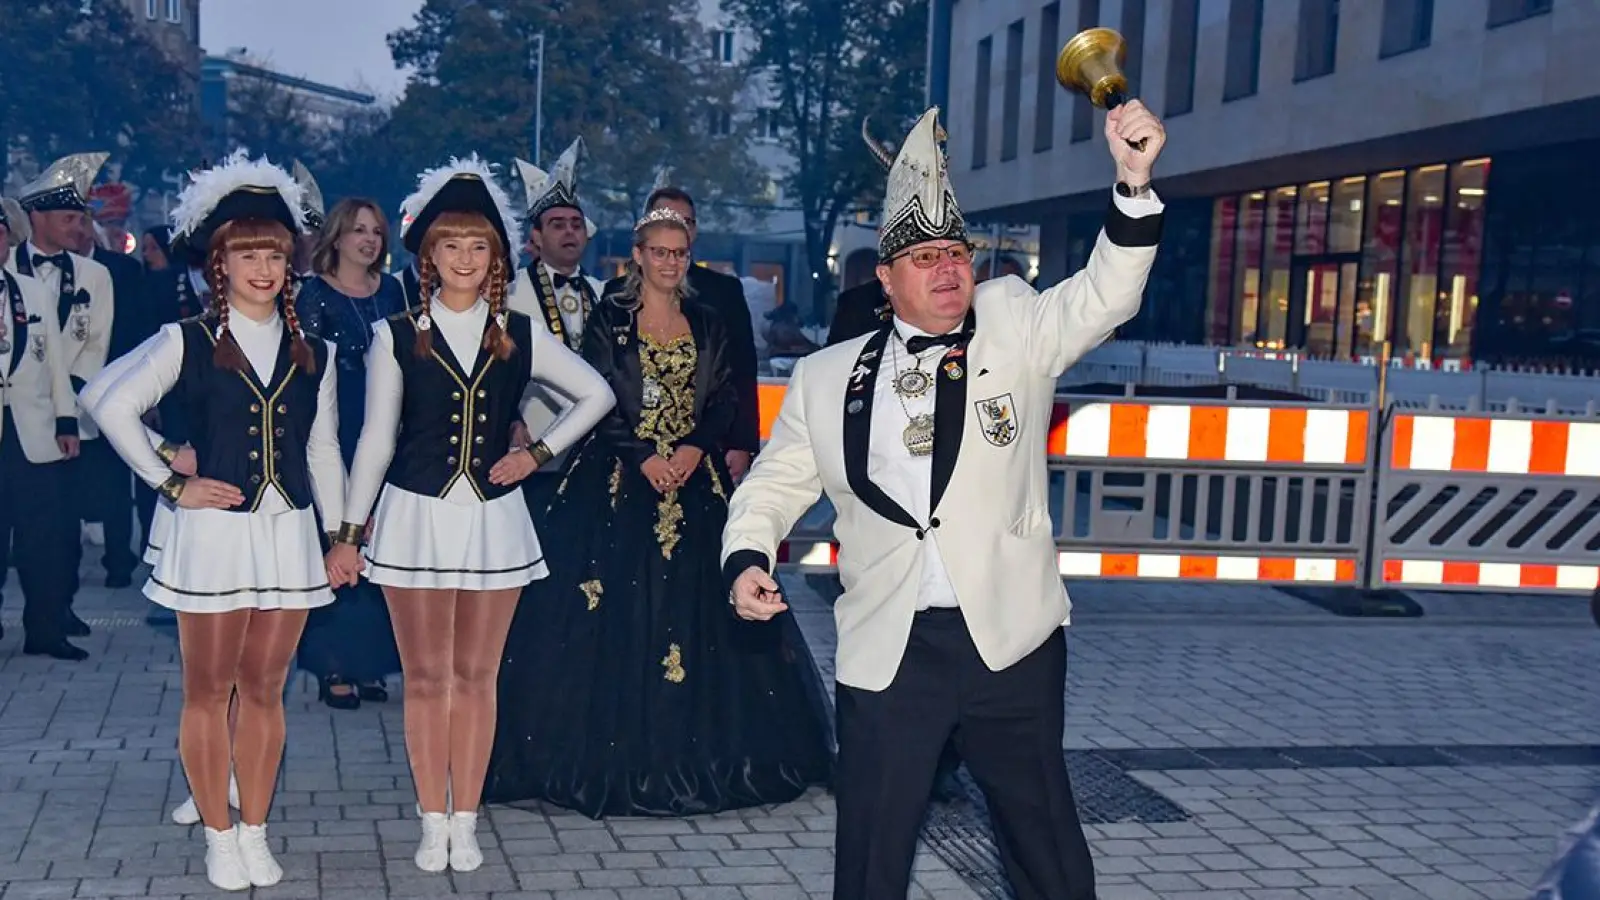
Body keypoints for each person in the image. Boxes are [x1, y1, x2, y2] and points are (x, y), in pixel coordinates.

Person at [721, 103, 1167, 900]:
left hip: (1011, 642)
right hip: (891, 647)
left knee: (1046, 849)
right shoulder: (826, 378)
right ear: (885, 278)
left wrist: (1132, 185)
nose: (947, 269)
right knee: (871, 856)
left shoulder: (1014, 324)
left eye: (956, 253)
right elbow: (775, 483)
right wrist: (748, 556)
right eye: (924, 257)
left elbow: (1104, 296)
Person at [483, 206, 831, 819]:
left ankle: (699, 753)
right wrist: (642, 455)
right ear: (638, 257)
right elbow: (599, 398)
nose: (671, 261)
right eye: (660, 251)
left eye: (680, 251)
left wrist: (695, 448)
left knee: (702, 606)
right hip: (618, 479)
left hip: (695, 481)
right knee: (611, 610)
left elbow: (723, 396)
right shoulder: (609, 319)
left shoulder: (707, 318)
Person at [323, 155, 614, 874]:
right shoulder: (395, 334)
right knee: (426, 680)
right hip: (414, 519)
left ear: (495, 256)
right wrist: (349, 534)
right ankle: (432, 819)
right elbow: (375, 440)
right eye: (449, 245)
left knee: (478, 678)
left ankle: (466, 819)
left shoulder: (520, 331)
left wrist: (536, 453)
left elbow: (597, 394)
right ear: (428, 254)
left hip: (494, 522)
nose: (463, 257)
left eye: (477, 245)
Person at [83, 150, 345, 891]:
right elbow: (107, 404)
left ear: (290, 263)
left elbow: (323, 449)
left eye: (274, 254)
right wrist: (171, 479)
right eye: (246, 254)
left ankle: (253, 826)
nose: (262, 268)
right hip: (214, 535)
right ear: (218, 264)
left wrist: (341, 535)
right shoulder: (187, 340)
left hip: (287, 533)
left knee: (265, 688)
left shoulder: (315, 352)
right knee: (208, 689)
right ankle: (218, 836)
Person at [293, 196, 407, 710]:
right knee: (336, 536)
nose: (369, 240)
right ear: (337, 236)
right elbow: (307, 370)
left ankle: (371, 662)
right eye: (359, 230)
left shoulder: (395, 290)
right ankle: (332, 663)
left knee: (379, 543)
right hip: (332, 425)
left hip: (386, 423)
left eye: (377, 232)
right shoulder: (313, 294)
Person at [4, 152, 116, 657]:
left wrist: (64, 402)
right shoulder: (8, 262)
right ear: (37, 218)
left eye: (81, 219)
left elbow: (95, 347)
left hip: (63, 420)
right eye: (69, 218)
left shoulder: (95, 276)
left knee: (55, 529)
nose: (79, 228)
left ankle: (52, 616)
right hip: (14, 415)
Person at [605, 186, 760, 481]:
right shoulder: (614, 301)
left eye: (684, 222)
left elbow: (739, 372)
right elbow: (601, 385)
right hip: (624, 455)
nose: (675, 228)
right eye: (665, 219)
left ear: (694, 232)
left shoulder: (720, 297)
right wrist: (639, 453)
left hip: (702, 450)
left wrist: (741, 443)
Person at [0, 208, 83, 656]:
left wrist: (66, 420)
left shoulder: (31, 291)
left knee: (42, 539)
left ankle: (46, 631)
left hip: (32, 431)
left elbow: (55, 364)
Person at [508, 139, 606, 518]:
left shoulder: (604, 293)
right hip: (531, 454)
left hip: (594, 458)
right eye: (557, 224)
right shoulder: (509, 293)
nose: (569, 232)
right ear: (535, 236)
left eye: (576, 225)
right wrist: (511, 420)